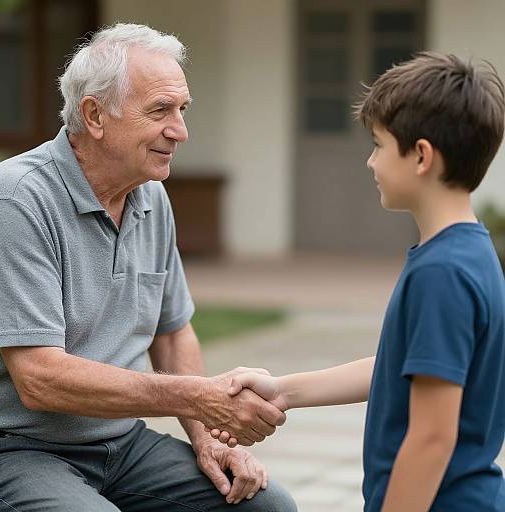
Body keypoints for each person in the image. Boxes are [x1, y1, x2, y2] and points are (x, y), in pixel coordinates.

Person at [0, 23, 296, 512]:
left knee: (266, 506)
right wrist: (195, 396)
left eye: (182, 110)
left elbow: (173, 333)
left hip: (122, 445)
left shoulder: (150, 195)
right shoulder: (16, 199)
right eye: (160, 111)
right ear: (94, 115)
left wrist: (210, 439)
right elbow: (39, 377)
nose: (180, 130)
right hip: (17, 450)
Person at [210, 52, 505, 511]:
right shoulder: (468, 252)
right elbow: (400, 367)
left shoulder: (442, 273)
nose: (370, 162)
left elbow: (431, 438)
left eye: (379, 145)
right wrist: (283, 390)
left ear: (422, 156)